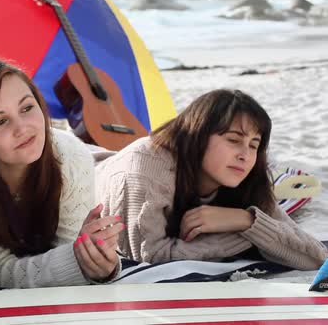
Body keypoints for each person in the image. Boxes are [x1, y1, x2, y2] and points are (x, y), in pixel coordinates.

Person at [95, 89, 327, 270]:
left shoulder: (245, 177)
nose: (244, 155)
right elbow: (147, 259)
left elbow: (315, 256)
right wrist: (246, 237)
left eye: (253, 145)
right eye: (233, 140)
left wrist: (245, 221)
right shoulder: (145, 166)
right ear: (197, 135)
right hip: (86, 169)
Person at [0, 57, 124, 288]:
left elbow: (70, 255)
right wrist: (76, 260)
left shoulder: (70, 157)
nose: (22, 129)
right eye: (0, 122)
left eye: (27, 108)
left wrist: (97, 262)